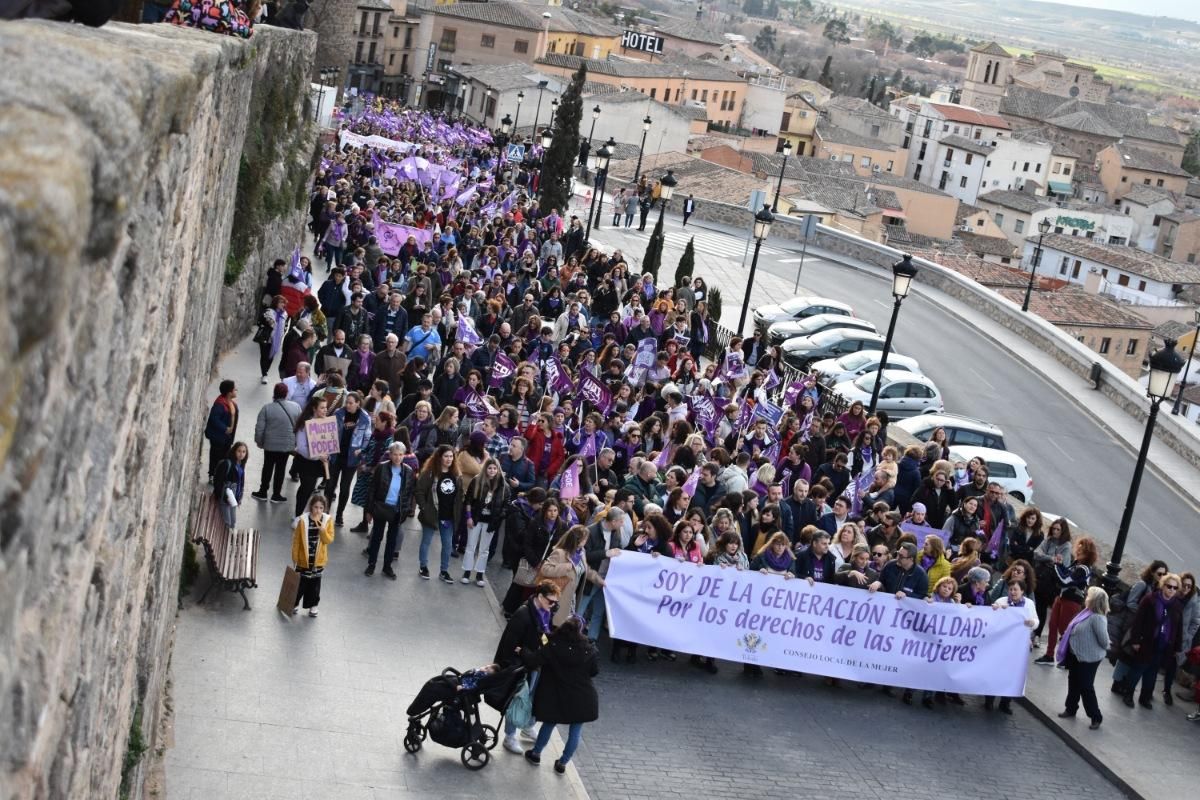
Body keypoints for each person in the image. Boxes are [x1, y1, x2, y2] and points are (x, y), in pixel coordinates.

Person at [520, 616, 600, 774]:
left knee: (549, 724)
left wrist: (522, 651)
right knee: (575, 732)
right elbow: (594, 672)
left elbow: (534, 660)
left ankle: (536, 754)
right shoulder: (589, 649)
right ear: (581, 630)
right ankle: (562, 763)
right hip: (582, 697)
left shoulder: (553, 645)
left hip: (556, 694)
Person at [495, 580, 559, 753]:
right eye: (550, 601)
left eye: (555, 602)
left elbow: (544, 636)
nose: (553, 605)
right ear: (540, 596)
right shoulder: (523, 614)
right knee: (518, 699)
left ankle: (528, 727)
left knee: (533, 697)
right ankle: (509, 736)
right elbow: (510, 645)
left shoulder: (545, 613)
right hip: (522, 666)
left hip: (535, 663)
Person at [1118, 572, 1184, 709]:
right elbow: (1138, 621)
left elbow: (1178, 628)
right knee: (1137, 669)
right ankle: (1128, 695)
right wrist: (1135, 640)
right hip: (1146, 642)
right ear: (1163, 585)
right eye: (1169, 586)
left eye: (1175, 588)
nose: (1172, 590)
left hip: (1163, 645)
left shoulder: (1177, 605)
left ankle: (1145, 698)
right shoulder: (1150, 599)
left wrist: (1176, 648)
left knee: (1152, 673)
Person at [1035, 536, 1099, 666]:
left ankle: (1068, 658)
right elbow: (1066, 574)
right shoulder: (1077, 564)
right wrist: (1059, 565)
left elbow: (1065, 581)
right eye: (1078, 548)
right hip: (1062, 597)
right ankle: (1049, 655)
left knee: (1064, 630)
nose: (1078, 552)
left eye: (1082, 550)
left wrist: (1056, 566)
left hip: (1072, 601)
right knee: (1053, 625)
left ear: (1088, 554)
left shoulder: (1084, 569)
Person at [1058, 586, 1110, 730]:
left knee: (1086, 687)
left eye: (1088, 596)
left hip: (1089, 658)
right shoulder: (1086, 612)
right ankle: (1070, 708)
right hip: (1076, 655)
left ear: (1094, 600)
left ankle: (1096, 717)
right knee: (1073, 682)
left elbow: (1104, 642)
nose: (1086, 598)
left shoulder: (1098, 618)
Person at [364, 443, 416, 579]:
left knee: (392, 540)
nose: (398, 457)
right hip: (381, 507)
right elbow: (372, 489)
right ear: (390, 455)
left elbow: (409, 493)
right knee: (376, 537)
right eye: (395, 454)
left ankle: (387, 566)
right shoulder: (382, 467)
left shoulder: (408, 471)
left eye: (400, 454)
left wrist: (406, 511)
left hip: (397, 510)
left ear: (404, 455)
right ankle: (371, 564)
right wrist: (369, 510)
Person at [537, 525, 606, 626]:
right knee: (548, 623)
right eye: (585, 538)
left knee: (559, 625)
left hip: (570, 598)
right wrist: (567, 566)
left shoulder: (581, 553)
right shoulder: (560, 553)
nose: (586, 541)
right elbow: (545, 569)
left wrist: (600, 581)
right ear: (578, 540)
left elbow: (586, 570)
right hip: (556, 596)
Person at [415, 445, 462, 583]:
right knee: (426, 542)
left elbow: (459, 496)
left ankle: (444, 571)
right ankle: (423, 567)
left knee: (447, 545)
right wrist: (424, 508)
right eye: (446, 456)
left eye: (451, 456)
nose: (449, 459)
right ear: (439, 457)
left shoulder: (456, 475)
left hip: (448, 517)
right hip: (432, 514)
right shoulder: (430, 473)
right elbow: (419, 491)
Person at [461, 458, 510, 586]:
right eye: (489, 468)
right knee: (470, 546)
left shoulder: (504, 486)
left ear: (498, 469)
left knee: (484, 549)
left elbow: (506, 505)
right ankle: (467, 571)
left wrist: (499, 517)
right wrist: (469, 517)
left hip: (491, 522)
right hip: (475, 519)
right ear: (485, 469)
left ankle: (480, 573)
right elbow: (468, 500)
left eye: (494, 468)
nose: (492, 470)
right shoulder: (477, 480)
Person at [251, 383, 301, 503]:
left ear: (274, 393)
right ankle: (276, 494)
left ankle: (263, 492)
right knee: (281, 469)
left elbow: (259, 428)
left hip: (270, 445)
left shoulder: (267, 408)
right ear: (286, 393)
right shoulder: (296, 407)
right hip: (287, 445)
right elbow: (300, 426)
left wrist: (259, 442)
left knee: (267, 467)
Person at [291, 494, 335, 617]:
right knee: (301, 583)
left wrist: (323, 531)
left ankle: (313, 605)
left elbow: (329, 540)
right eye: (316, 507)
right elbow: (297, 540)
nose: (318, 510)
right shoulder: (303, 520)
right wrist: (295, 556)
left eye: (321, 508)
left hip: (318, 560)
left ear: (324, 508)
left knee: (315, 584)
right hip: (304, 559)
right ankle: (294, 603)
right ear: (311, 507)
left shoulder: (327, 520)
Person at [291, 395, 330, 518]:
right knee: (306, 489)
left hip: (316, 464)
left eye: (326, 407)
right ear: (314, 408)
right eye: (322, 408)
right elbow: (301, 447)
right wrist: (319, 456)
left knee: (309, 489)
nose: (325, 410)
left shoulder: (325, 422)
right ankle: (298, 515)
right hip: (305, 462)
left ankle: (300, 514)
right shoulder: (305, 424)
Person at [204, 379, 239, 481]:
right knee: (215, 456)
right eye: (234, 389)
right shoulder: (220, 404)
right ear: (229, 393)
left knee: (223, 457)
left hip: (226, 438)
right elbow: (214, 419)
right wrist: (225, 428)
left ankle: (219, 476)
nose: (236, 390)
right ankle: (212, 475)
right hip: (218, 437)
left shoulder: (231, 404)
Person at [212, 442, 248, 528]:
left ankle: (228, 535)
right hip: (225, 499)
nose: (241, 454)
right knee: (227, 522)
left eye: (244, 452)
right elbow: (218, 481)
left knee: (232, 522)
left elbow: (241, 484)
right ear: (234, 451)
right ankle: (225, 536)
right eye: (239, 451)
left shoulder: (241, 466)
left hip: (233, 499)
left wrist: (239, 498)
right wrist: (221, 496)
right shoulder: (227, 464)